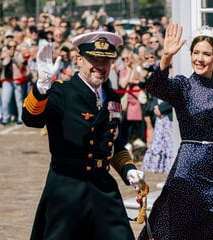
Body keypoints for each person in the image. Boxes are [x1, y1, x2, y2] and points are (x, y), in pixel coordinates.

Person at [22, 31, 145, 240]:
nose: (100, 66)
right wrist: (41, 88)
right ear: (79, 59)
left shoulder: (112, 97)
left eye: (106, 60)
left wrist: (128, 169)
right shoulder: (62, 92)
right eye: (94, 59)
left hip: (101, 186)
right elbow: (31, 119)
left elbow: (114, 143)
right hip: (67, 186)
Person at [138, 24, 213, 239]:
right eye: (195, 53)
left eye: (206, 54)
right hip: (188, 169)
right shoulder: (182, 85)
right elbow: (155, 87)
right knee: (185, 232)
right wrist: (166, 57)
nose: (199, 58)